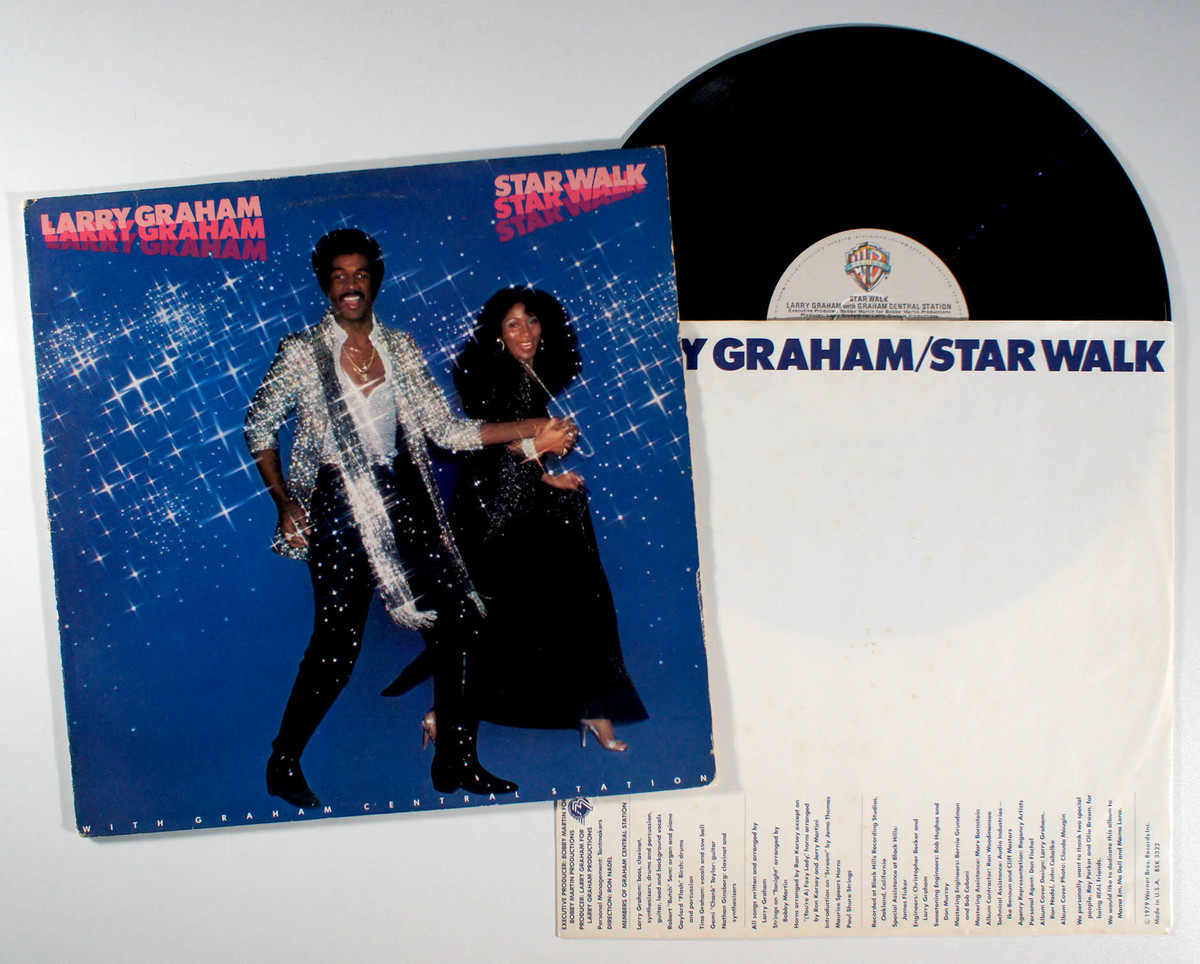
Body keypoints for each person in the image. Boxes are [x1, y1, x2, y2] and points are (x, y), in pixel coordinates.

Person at [243, 230, 575, 807]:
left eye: (360, 274)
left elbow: (446, 431)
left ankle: (455, 760)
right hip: (337, 505)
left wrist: (531, 429)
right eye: (339, 275)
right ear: (326, 285)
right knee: (336, 644)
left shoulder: (400, 348)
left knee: (462, 619)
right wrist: (285, 501)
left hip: (400, 497)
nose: (351, 285)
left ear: (374, 281)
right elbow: (258, 426)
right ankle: (284, 760)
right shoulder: (300, 351)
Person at [386, 286, 647, 751]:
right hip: (491, 515)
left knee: (569, 596)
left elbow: (515, 450)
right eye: (513, 324)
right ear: (497, 334)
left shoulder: (528, 374)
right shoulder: (500, 376)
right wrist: (539, 446)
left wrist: (546, 475)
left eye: (532, 321)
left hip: (515, 501)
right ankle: (451, 712)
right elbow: (489, 453)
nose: (525, 332)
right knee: (533, 610)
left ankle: (590, 706)